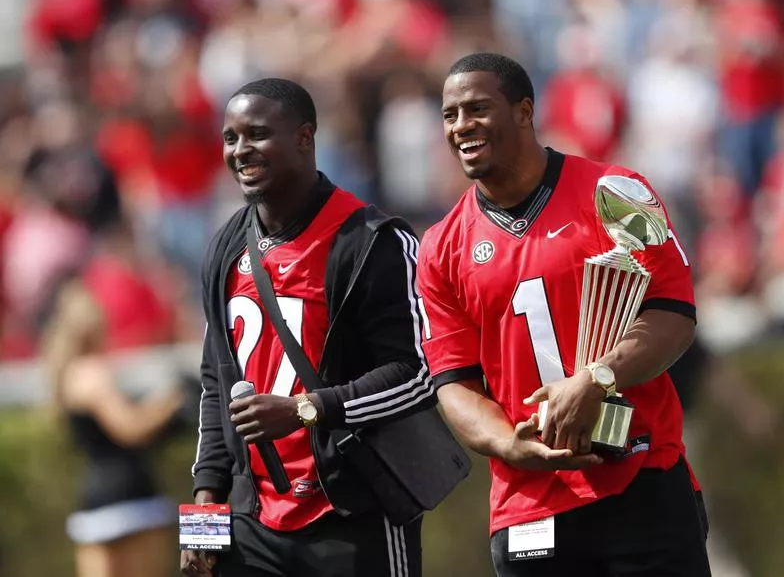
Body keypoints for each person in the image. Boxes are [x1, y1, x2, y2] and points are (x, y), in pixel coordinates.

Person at [416, 52, 711, 576]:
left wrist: (598, 378)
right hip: (529, 503)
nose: (461, 126)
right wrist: (509, 443)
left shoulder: (615, 192)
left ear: (524, 111)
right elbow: (454, 383)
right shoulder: (441, 247)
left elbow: (675, 311)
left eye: (478, 109)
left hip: (640, 473)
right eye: (450, 114)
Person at [182, 78, 465, 577]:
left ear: (305, 138)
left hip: (353, 512)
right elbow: (214, 383)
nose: (241, 151)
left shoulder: (371, 242)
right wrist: (205, 512)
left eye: (257, 135)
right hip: (254, 524)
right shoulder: (226, 244)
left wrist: (305, 410)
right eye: (230, 138)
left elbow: (418, 374)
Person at [41, 279, 186, 577]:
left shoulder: (64, 375)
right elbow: (129, 428)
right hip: (131, 500)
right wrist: (169, 404)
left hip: (95, 503)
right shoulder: (93, 372)